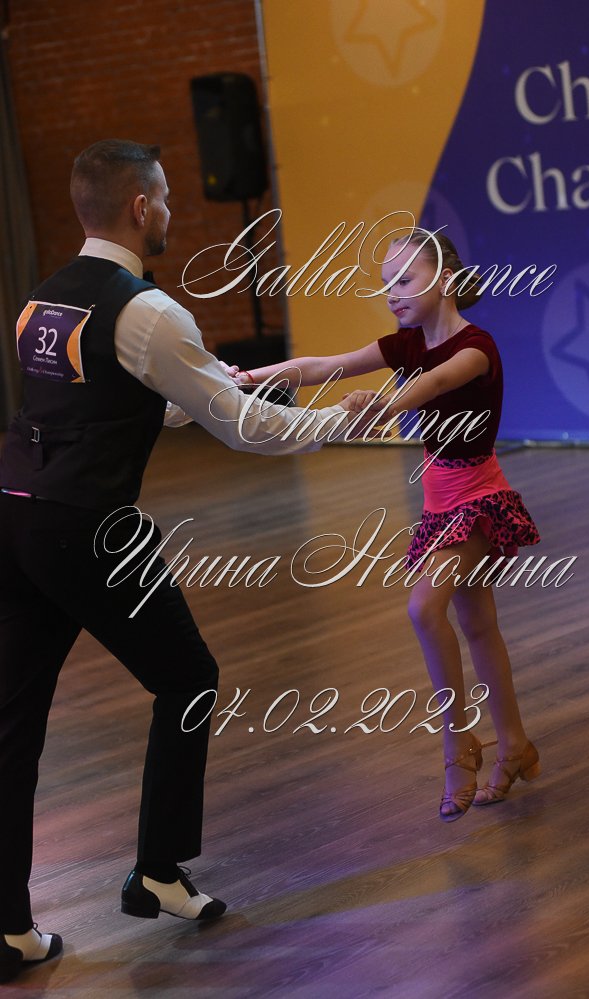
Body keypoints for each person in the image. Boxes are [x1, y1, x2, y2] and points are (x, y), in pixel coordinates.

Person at [0, 139, 376, 985]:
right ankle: (157, 872)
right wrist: (336, 421)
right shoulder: (149, 310)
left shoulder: (39, 300)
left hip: (15, 515)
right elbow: (244, 427)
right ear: (140, 207)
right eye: (165, 197)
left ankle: (7, 928)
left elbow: (98, 403)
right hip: (88, 528)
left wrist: (198, 388)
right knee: (190, 677)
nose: (170, 210)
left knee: (12, 723)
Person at [233, 229, 541, 824]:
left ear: (443, 279)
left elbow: (435, 382)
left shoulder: (476, 347)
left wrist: (383, 407)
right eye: (385, 284)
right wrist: (247, 379)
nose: (392, 293)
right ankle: (515, 744)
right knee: (479, 627)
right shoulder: (407, 343)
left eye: (404, 279)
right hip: (439, 507)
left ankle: (458, 746)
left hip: (480, 501)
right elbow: (326, 365)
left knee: (424, 610)